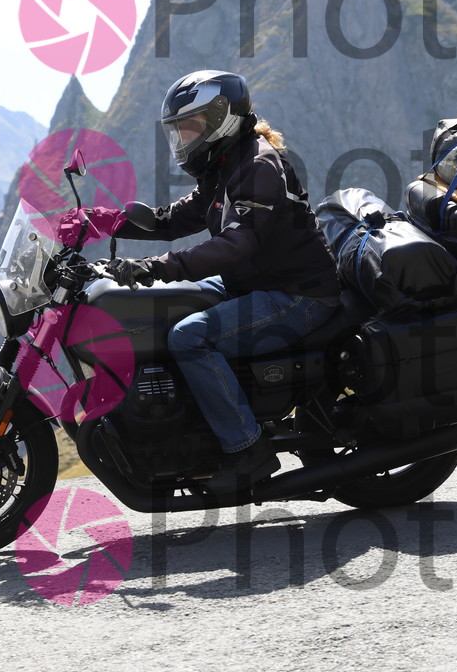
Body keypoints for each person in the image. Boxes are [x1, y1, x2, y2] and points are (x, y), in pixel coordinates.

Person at [91, 70, 342, 495]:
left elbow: (237, 244)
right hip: (251, 284)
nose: (183, 139)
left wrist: (155, 267)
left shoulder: (258, 166)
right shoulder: (224, 166)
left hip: (299, 295)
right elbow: (172, 220)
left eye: (190, 127)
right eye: (178, 130)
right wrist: (103, 222)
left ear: (221, 118)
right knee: (166, 305)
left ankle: (248, 449)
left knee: (190, 337)